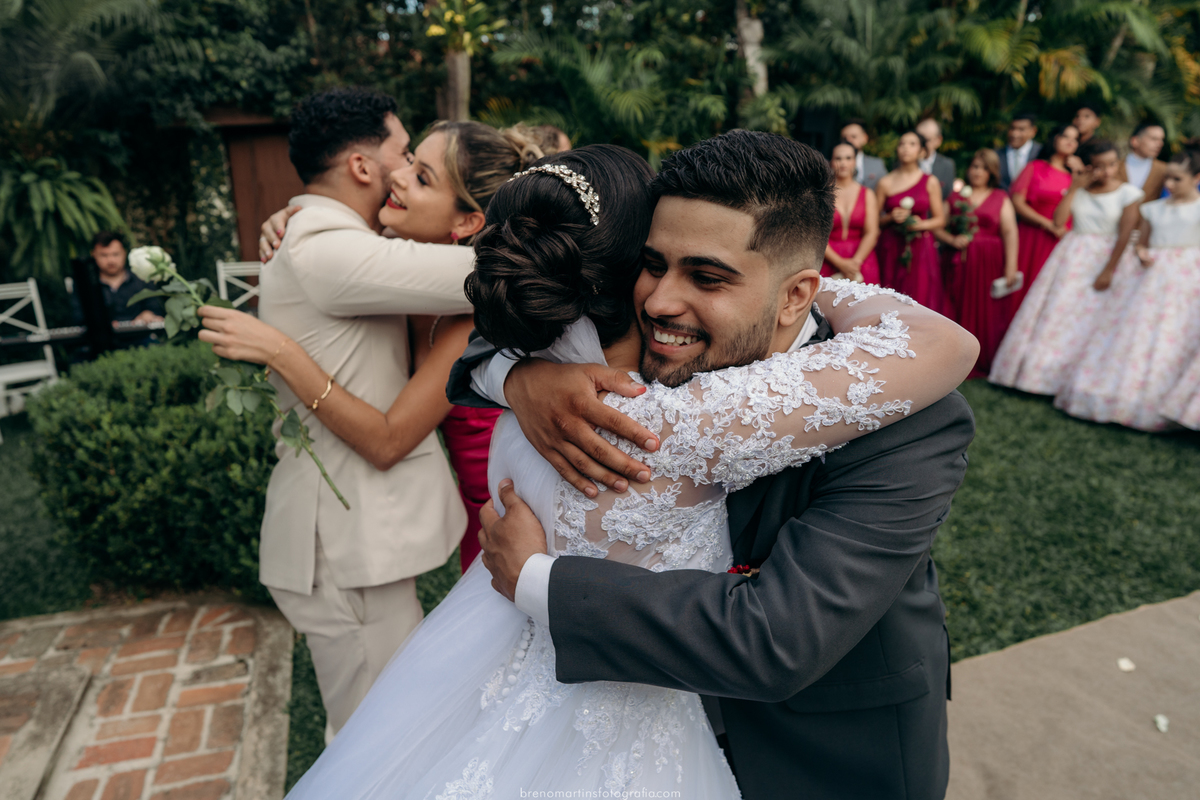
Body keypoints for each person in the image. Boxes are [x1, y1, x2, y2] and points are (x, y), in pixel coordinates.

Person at [454, 133, 978, 800]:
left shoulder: (914, 419)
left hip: (823, 752)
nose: (657, 303)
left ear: (795, 297)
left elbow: (777, 638)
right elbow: (521, 309)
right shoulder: (648, 347)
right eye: (652, 263)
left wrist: (536, 580)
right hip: (644, 728)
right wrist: (519, 375)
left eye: (707, 277)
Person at [228, 88, 485, 744]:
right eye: (403, 155)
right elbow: (493, 273)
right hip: (342, 542)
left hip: (350, 539)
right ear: (363, 167)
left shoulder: (320, 235)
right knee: (378, 741)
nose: (404, 171)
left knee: (383, 730)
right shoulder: (325, 248)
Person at [205, 122, 543, 582]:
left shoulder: (468, 319)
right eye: (408, 161)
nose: (397, 176)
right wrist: (295, 215)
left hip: (505, 516)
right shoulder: (387, 264)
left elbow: (387, 441)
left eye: (422, 177)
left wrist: (280, 351)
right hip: (467, 512)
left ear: (467, 222)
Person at [1055, 149, 1200, 430]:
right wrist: (1142, 251)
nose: (1168, 185)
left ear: (1196, 178)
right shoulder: (1153, 209)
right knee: (1139, 336)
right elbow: (1142, 240)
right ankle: (1120, 399)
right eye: (1168, 178)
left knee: (1175, 340)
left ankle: (1170, 404)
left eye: (1177, 179)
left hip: (1188, 285)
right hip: (1151, 281)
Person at [990, 140, 1143, 395]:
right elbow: (1059, 221)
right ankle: (1042, 378)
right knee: (1060, 314)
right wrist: (1073, 188)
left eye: (1112, 165)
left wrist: (1109, 269)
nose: (1107, 171)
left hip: (1106, 257)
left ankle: (1082, 381)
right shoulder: (1080, 191)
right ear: (1088, 167)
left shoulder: (1129, 194)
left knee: (1098, 319)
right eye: (1100, 166)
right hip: (1072, 258)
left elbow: (1125, 235)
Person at [936, 149, 1019, 378]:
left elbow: (1010, 232)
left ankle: (983, 358)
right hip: (958, 262)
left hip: (989, 261)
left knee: (988, 309)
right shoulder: (956, 197)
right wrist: (952, 239)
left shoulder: (1000, 197)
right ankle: (955, 357)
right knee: (956, 305)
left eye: (983, 168)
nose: (977, 172)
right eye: (974, 166)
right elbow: (937, 227)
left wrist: (1011, 265)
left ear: (991, 171)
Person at [1008, 124, 1082, 312]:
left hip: (1060, 240)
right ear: (1055, 138)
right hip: (1032, 236)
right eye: (1065, 136)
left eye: (1075, 139)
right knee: (1023, 290)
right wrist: (1047, 224)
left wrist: (1079, 176)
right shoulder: (1035, 167)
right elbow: (1017, 202)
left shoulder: (1075, 177)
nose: (1070, 141)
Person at [875, 129, 949, 314]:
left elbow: (940, 220)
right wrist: (891, 217)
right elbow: (874, 221)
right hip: (892, 246)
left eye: (912, 144)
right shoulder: (885, 182)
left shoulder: (930, 181)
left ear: (922, 151)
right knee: (890, 298)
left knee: (921, 296)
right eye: (902, 144)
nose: (905, 148)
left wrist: (920, 224)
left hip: (920, 247)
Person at [71, 231, 165, 330]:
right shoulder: (84, 284)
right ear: (93, 254)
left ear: (124, 253)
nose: (111, 260)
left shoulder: (142, 279)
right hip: (101, 338)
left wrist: (148, 314)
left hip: (140, 337)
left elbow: (156, 308)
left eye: (115, 254)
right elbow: (78, 316)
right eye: (104, 255)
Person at [822, 141, 881, 283]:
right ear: (830, 162)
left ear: (855, 161)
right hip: (829, 259)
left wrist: (855, 263)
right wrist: (841, 263)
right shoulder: (822, 195)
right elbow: (815, 235)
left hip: (861, 260)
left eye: (848, 158)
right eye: (838, 158)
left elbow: (871, 233)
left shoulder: (867, 194)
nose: (843, 163)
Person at [1123, 121, 1167, 201]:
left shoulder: (1164, 169)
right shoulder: (1114, 166)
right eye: (1154, 139)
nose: (1160, 144)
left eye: (1161, 140)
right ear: (1135, 141)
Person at [997, 113, 1041, 190]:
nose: (1014, 134)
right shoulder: (996, 154)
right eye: (1012, 128)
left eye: (1021, 129)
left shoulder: (1041, 153)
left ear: (1033, 131)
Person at [916, 118, 956, 199]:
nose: (922, 145)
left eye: (926, 140)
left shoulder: (947, 165)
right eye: (919, 140)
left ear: (938, 140)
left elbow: (947, 197)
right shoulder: (903, 163)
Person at [840, 119, 886, 189]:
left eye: (853, 136)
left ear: (865, 138)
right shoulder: (833, 166)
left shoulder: (877, 165)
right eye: (844, 138)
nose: (849, 140)